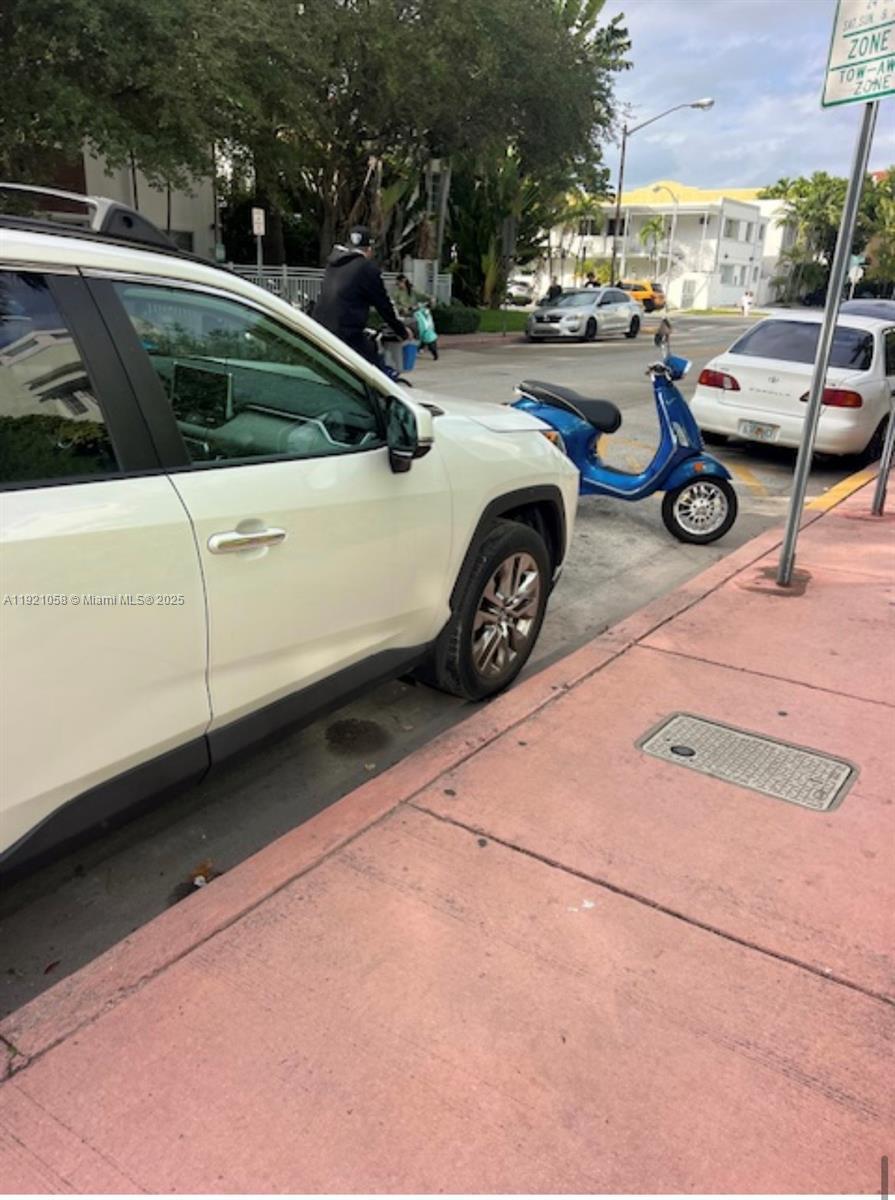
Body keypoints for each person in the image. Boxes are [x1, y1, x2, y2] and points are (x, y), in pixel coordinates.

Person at [313, 226, 410, 366]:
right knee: (373, 369)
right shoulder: (366, 269)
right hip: (346, 334)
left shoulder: (333, 265)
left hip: (320, 331)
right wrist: (402, 332)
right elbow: (383, 306)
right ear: (369, 250)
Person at [394, 274, 439, 361]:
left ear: (404, 281)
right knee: (411, 328)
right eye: (397, 284)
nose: (398, 285)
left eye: (399, 283)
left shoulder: (413, 291)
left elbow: (423, 295)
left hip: (417, 313)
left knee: (424, 326)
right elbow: (395, 304)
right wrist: (402, 308)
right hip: (405, 315)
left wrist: (431, 298)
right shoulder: (397, 293)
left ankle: (422, 345)